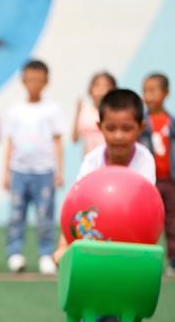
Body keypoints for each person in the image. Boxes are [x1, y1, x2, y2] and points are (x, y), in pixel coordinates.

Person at [53, 88, 156, 263]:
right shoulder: (92, 160)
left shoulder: (144, 159)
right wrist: (63, 245)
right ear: (99, 127)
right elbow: (76, 203)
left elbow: (146, 207)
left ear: (141, 127)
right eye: (110, 128)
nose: (118, 136)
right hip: (98, 230)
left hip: (131, 232)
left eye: (127, 129)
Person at [3, 59, 65, 275]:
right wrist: (6, 172)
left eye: (38, 80)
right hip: (19, 171)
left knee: (45, 216)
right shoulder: (16, 110)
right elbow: (10, 142)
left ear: (46, 81)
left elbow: (58, 140)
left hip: (44, 172)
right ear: (22, 81)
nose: (34, 84)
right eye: (30, 79)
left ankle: (46, 254)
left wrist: (59, 171)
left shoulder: (52, 109)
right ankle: (15, 254)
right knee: (16, 215)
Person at [140, 73, 175, 274]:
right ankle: (145, 258)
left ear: (165, 93)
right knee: (146, 220)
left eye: (152, 90)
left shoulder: (174, 123)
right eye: (145, 91)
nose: (148, 96)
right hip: (150, 181)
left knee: (173, 221)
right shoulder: (141, 123)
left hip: (171, 180)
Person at [72, 71, 117, 155]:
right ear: (90, 90)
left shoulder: (115, 113)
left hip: (109, 161)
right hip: (89, 164)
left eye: (106, 86)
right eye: (97, 85)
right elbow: (75, 139)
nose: (101, 89)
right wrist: (77, 112)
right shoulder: (84, 112)